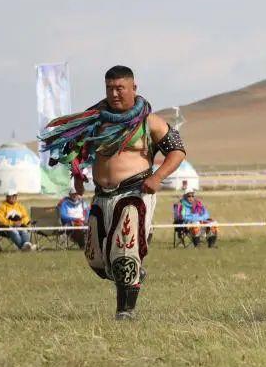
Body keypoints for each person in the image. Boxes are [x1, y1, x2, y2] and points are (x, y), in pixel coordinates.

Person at [40, 65, 188, 320]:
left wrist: (158, 177)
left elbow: (177, 150)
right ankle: (132, 276)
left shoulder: (149, 122)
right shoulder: (95, 121)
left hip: (135, 193)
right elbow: (79, 150)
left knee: (124, 251)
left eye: (120, 88)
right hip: (101, 194)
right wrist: (76, 174)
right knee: (95, 259)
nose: (115, 93)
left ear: (133, 88)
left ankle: (125, 311)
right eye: (110, 88)